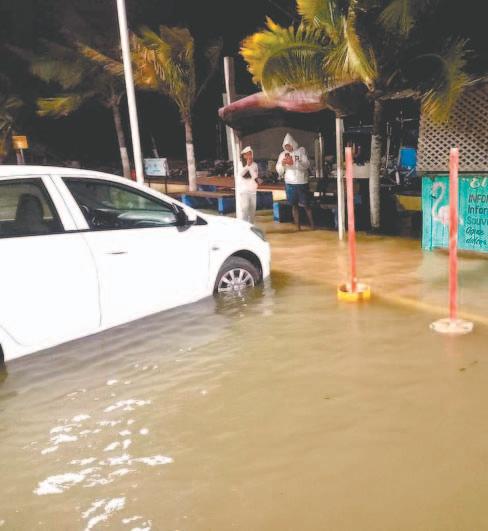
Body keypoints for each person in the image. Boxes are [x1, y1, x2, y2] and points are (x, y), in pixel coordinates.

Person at [276, 133, 314, 230]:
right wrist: (283, 164)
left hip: (301, 182)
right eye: (286, 146)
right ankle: (298, 227)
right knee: (294, 205)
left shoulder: (300, 152)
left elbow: (306, 165)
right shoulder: (282, 155)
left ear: (292, 144)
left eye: (289, 145)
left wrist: (295, 163)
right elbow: (279, 170)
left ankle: (312, 225)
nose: (287, 148)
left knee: (306, 205)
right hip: (289, 183)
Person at [238, 146, 261, 223]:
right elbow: (241, 174)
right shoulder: (240, 164)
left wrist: (258, 180)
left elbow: (255, 176)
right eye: (247, 154)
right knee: (245, 209)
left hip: (253, 191)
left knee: (252, 211)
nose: (249, 156)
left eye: (250, 154)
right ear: (243, 156)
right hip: (244, 190)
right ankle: (244, 226)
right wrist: (247, 166)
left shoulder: (255, 164)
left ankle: (251, 225)